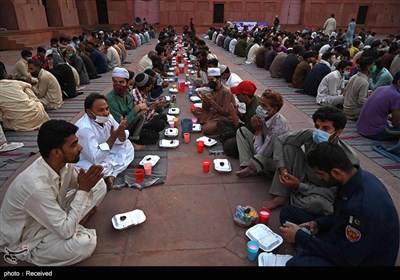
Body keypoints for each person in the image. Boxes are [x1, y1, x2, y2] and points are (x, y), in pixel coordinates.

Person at [0, 120, 107, 266]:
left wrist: (87, 181)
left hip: (51, 214)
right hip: (28, 238)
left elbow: (82, 183)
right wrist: (83, 190)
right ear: (57, 152)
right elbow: (66, 231)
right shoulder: (36, 186)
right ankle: (29, 252)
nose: (80, 148)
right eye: (74, 144)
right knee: (83, 245)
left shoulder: (63, 165)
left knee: (99, 184)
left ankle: (71, 223)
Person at [279, 142, 399, 266]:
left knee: (296, 264)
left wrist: (301, 238)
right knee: (288, 213)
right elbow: (340, 216)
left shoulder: (361, 209)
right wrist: (317, 224)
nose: (319, 178)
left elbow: (346, 258)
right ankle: (309, 250)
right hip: (343, 236)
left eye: (320, 174)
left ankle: (308, 252)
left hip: (360, 259)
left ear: (336, 172)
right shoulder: (353, 178)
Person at [264, 106, 360, 216]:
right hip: (305, 174)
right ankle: (282, 195)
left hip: (321, 190)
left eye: (325, 128)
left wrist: (299, 186)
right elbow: (280, 140)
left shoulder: (349, 159)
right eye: (317, 126)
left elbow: (333, 194)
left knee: (318, 204)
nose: (319, 131)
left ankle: (294, 194)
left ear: (338, 132)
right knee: (288, 146)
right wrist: (282, 169)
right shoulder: (311, 135)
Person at [75, 93, 134, 190]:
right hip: (88, 159)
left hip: (106, 150)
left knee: (128, 146)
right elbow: (94, 159)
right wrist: (113, 138)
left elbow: (122, 140)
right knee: (95, 169)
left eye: (107, 108)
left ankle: (112, 175)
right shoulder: (85, 128)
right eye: (101, 110)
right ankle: (110, 174)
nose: (106, 112)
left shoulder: (108, 117)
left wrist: (121, 130)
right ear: (89, 112)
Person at [235, 90, 291, 178]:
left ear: (274, 109)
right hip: (263, 148)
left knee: (260, 158)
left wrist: (258, 131)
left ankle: (256, 167)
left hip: (275, 158)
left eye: (264, 106)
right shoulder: (265, 116)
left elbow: (262, 153)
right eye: (260, 104)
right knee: (242, 131)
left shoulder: (277, 128)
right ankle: (247, 165)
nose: (260, 108)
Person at [217, 80, 259, 158]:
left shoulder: (253, 111)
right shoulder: (252, 99)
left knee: (228, 145)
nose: (236, 95)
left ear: (245, 96)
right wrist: (238, 113)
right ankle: (230, 139)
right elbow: (245, 118)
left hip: (252, 137)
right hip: (245, 127)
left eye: (238, 94)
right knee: (222, 122)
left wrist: (234, 117)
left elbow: (244, 134)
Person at [0, 65, 50, 131]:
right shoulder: (15, 82)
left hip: (19, 124)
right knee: (26, 88)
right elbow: (29, 85)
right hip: (38, 115)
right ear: (4, 73)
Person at [105, 67, 146, 147]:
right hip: (119, 132)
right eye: (115, 82)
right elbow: (119, 124)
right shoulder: (111, 99)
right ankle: (131, 142)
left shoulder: (127, 94)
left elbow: (131, 115)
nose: (117, 85)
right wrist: (136, 109)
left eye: (121, 82)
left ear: (128, 83)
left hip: (130, 124)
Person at [357, 71, 400, 140]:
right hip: (374, 131)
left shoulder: (382, 88)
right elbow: (395, 124)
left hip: (361, 127)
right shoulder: (397, 96)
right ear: (399, 82)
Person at [192, 67, 235, 137]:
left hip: (225, 118)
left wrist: (211, 102)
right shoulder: (213, 90)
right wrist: (204, 100)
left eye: (212, 79)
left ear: (219, 79)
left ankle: (217, 127)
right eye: (209, 80)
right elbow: (206, 108)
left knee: (206, 129)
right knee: (195, 110)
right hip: (215, 114)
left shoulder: (226, 91)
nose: (210, 82)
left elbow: (225, 112)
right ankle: (210, 122)